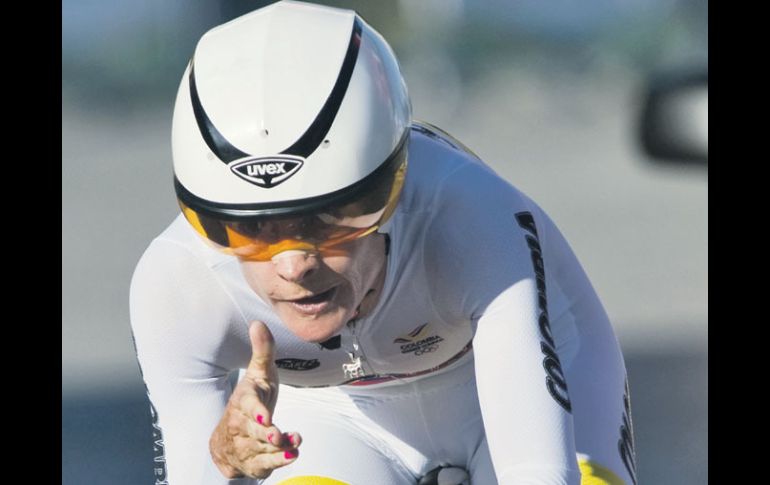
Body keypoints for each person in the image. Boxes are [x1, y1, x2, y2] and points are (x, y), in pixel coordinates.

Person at [129, 1, 637, 484]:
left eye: (327, 220)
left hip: (500, 387)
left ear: (392, 187)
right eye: (248, 231)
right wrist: (224, 467)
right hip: (329, 417)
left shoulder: (471, 215)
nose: (293, 265)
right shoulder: (177, 282)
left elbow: (538, 468)